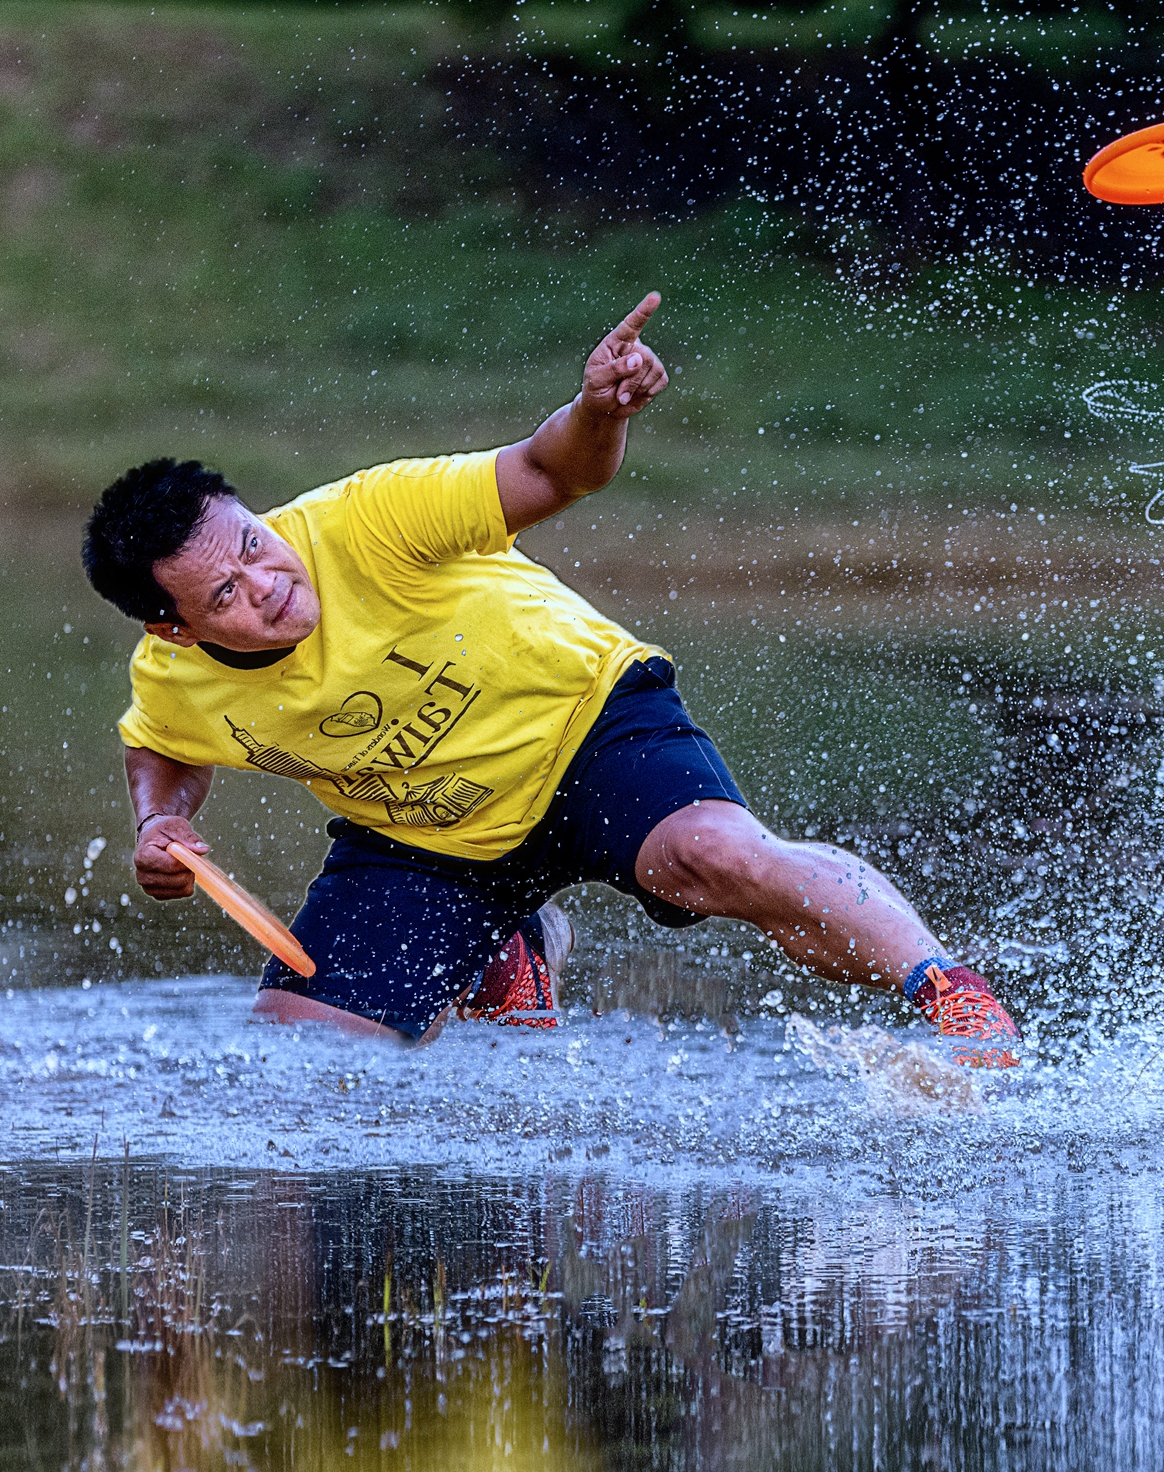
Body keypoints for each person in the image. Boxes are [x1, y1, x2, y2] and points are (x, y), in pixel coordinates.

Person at [80, 293, 1020, 1067]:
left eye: (255, 543)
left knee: (717, 858)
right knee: (301, 1072)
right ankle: (507, 937)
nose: (268, 583)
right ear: (176, 627)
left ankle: (955, 997)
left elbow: (546, 470)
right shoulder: (172, 675)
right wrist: (159, 821)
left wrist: (597, 414)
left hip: (587, 725)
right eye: (227, 592)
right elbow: (159, 742)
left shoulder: (365, 518)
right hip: (424, 835)